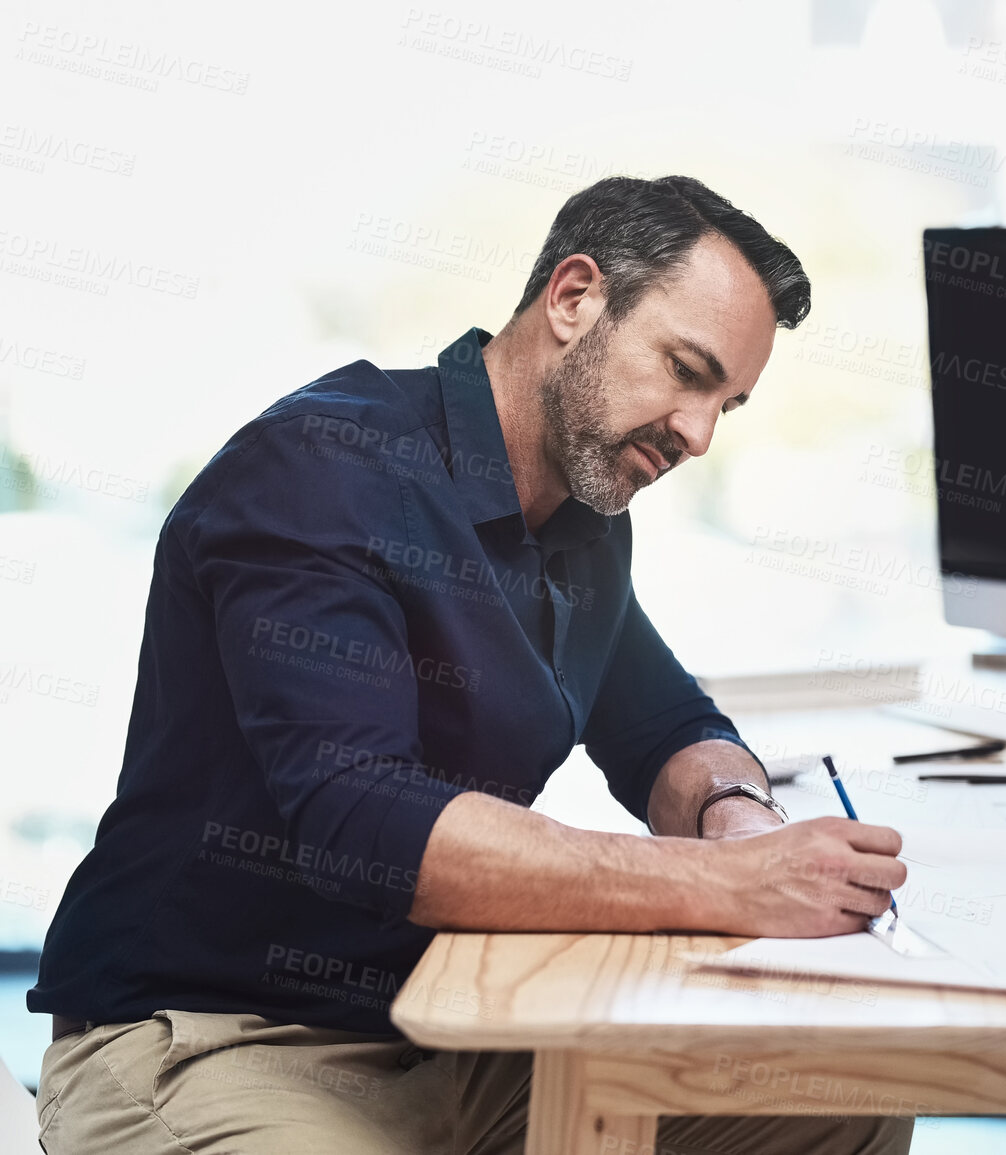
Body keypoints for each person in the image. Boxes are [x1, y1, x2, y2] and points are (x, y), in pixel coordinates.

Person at [28, 175, 913, 1155]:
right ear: (574, 298)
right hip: (210, 1039)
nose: (698, 435)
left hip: (442, 1028)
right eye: (685, 370)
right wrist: (727, 887)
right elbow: (365, 824)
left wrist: (737, 819)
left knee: (835, 1101)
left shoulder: (583, 516)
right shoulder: (321, 468)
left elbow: (667, 727)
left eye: (727, 405)